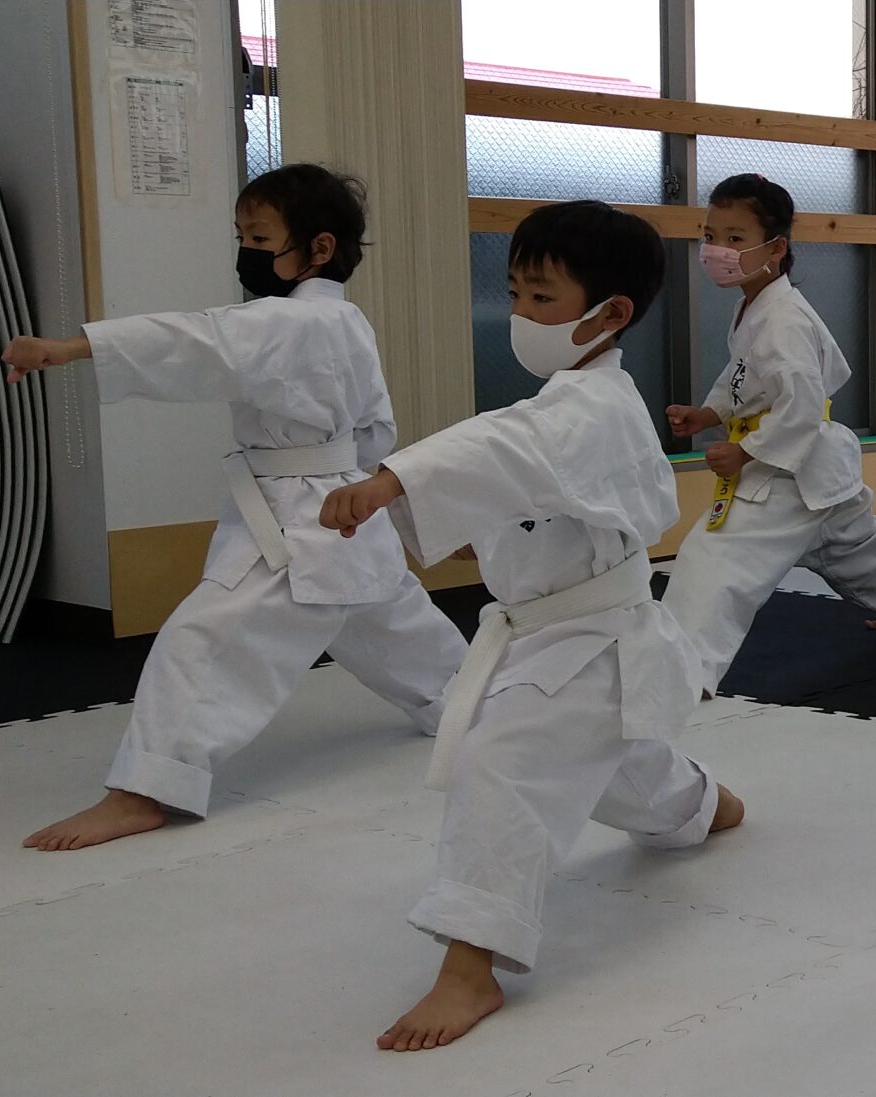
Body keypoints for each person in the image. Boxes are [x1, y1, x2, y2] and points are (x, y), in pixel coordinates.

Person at [317, 200, 744, 1051]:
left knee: (503, 764)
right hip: (561, 638)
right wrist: (459, 528)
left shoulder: (593, 405)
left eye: (541, 297)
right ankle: (703, 804)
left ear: (610, 312)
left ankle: (469, 966)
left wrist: (395, 480)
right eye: (515, 293)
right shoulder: (566, 402)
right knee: (615, 758)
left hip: (591, 642)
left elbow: (503, 448)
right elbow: (528, 484)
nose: (520, 313)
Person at [0, 164, 465, 851]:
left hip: (300, 523)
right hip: (344, 511)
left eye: (260, 237)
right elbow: (375, 426)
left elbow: (190, 339)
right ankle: (481, 711)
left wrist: (67, 348)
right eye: (241, 236)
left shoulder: (284, 321)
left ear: (320, 247)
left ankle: (143, 791)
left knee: (202, 640)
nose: (246, 250)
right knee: (404, 634)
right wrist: (350, 474)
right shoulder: (346, 320)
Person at [661, 173, 876, 695]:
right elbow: (745, 376)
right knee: (859, 546)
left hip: (786, 469)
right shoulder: (757, 306)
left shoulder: (783, 320)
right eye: (711, 236)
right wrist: (708, 413)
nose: (718, 250)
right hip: (817, 465)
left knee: (715, 557)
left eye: (735, 238)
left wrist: (746, 451)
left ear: (777, 247)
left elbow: (803, 404)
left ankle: (681, 671)